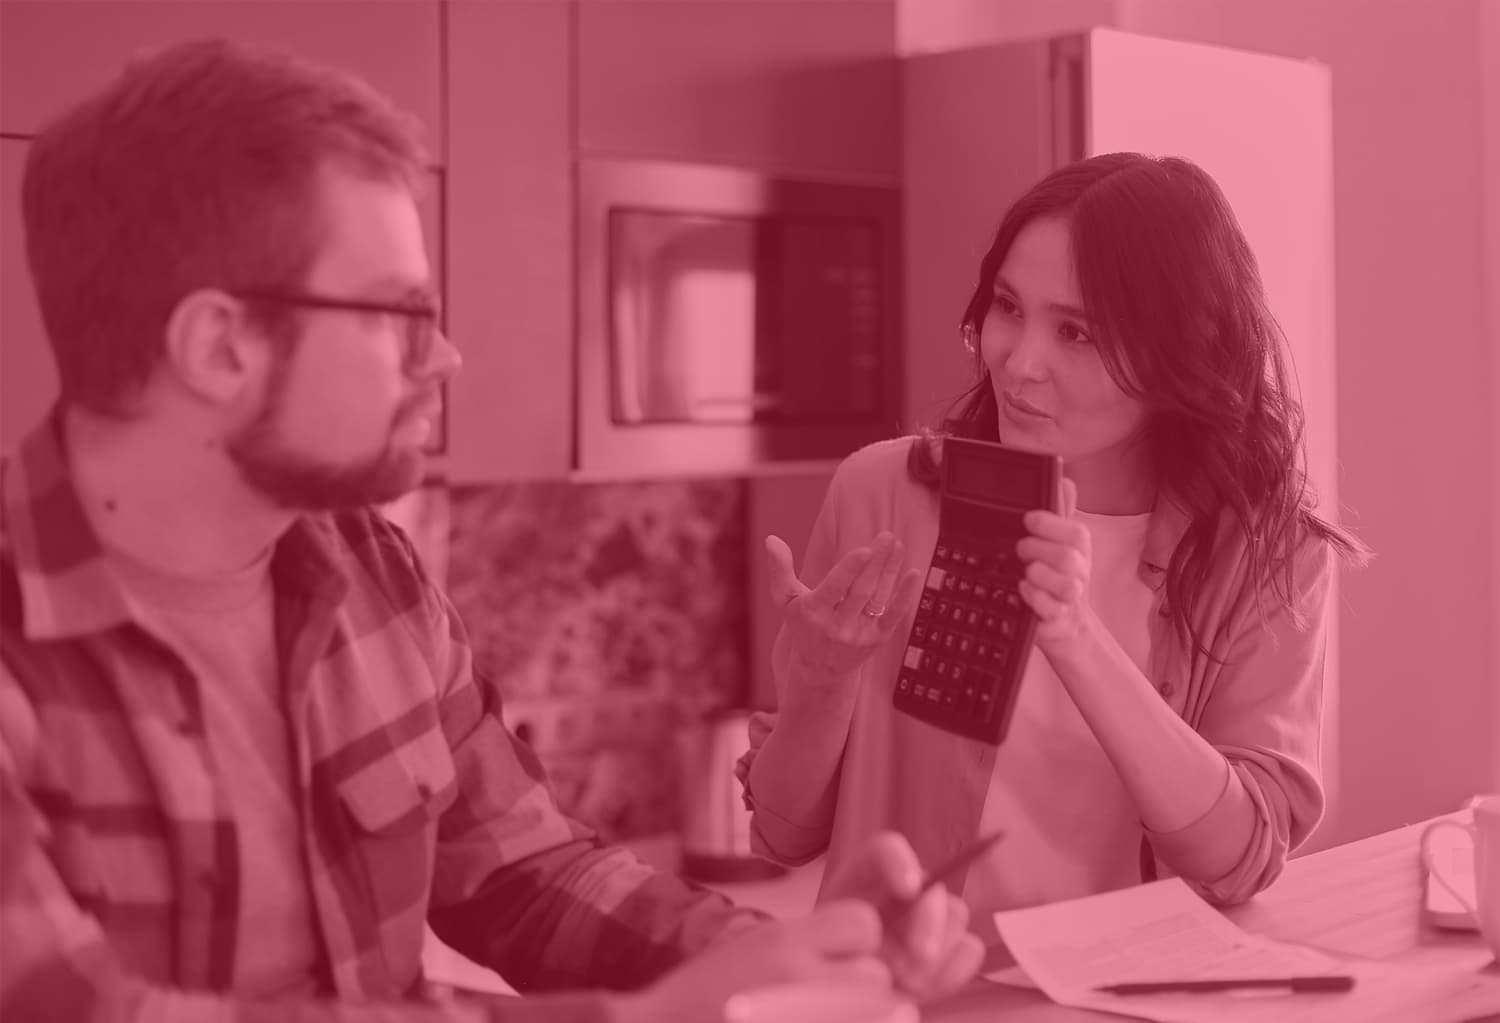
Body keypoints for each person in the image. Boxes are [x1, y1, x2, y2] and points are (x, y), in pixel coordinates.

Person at [0, 39, 985, 1022]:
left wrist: (782, 960)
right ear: (221, 346)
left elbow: (525, 868)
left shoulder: (369, 573)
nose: (447, 358)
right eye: (397, 315)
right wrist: (646, 1017)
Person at [739, 152, 1371, 919]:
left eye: (1076, 332)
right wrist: (820, 684)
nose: (1020, 361)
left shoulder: (1271, 556)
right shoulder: (883, 494)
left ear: (1180, 355)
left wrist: (1075, 635)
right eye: (1009, 307)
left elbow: (1238, 861)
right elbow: (781, 832)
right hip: (913, 998)